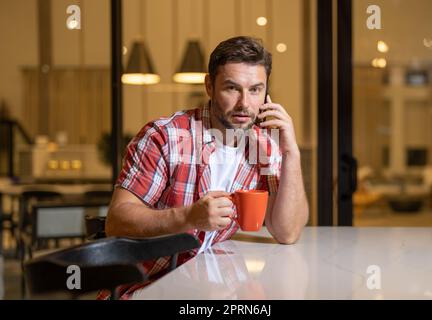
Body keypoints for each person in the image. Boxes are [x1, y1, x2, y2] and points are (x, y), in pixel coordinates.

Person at [101, 36, 309, 299]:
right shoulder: (165, 137)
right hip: (147, 288)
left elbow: (287, 232)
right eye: (232, 88)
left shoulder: (263, 147)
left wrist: (291, 151)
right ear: (209, 86)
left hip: (208, 288)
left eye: (255, 90)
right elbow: (116, 221)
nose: (245, 103)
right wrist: (188, 217)